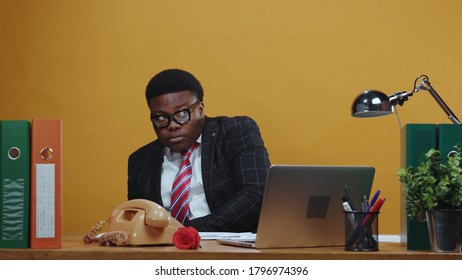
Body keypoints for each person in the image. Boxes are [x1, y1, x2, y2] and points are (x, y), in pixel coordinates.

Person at [127, 69, 271, 232]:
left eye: (181, 114)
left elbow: (257, 194)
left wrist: (186, 231)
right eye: (160, 118)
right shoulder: (140, 160)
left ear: (200, 109)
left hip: (225, 248)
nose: (172, 125)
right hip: (164, 252)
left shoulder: (235, 132)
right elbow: (136, 218)